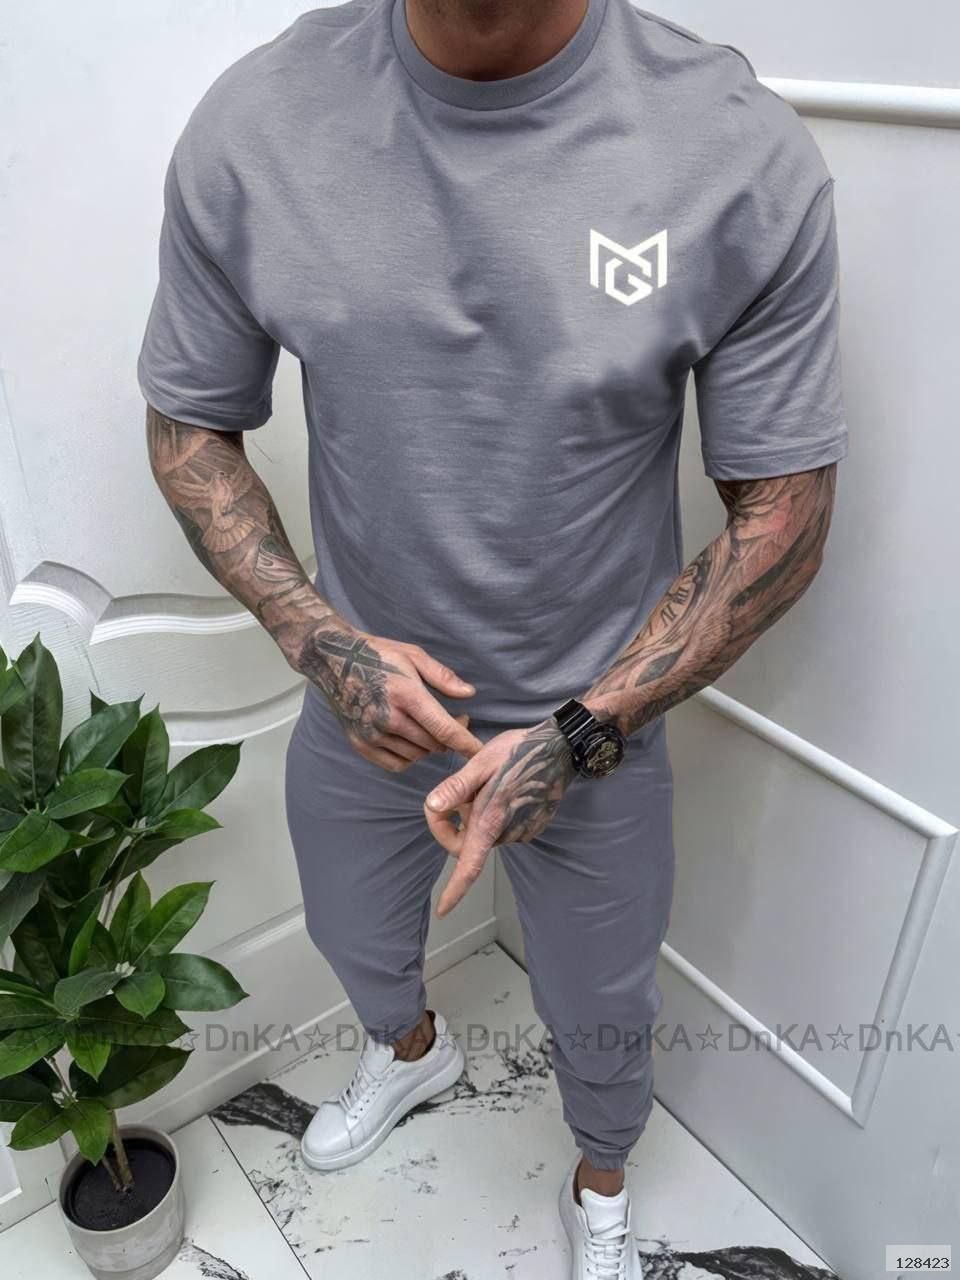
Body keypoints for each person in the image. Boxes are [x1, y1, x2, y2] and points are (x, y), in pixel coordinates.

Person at [138, 0, 847, 1274]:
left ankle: (600, 1182)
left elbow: (784, 516)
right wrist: (322, 645)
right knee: (355, 937)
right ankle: (411, 1053)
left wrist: (578, 736)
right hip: (363, 706)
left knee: (604, 1010)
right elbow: (191, 423)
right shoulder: (259, 124)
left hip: (595, 727)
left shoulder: (732, 147)